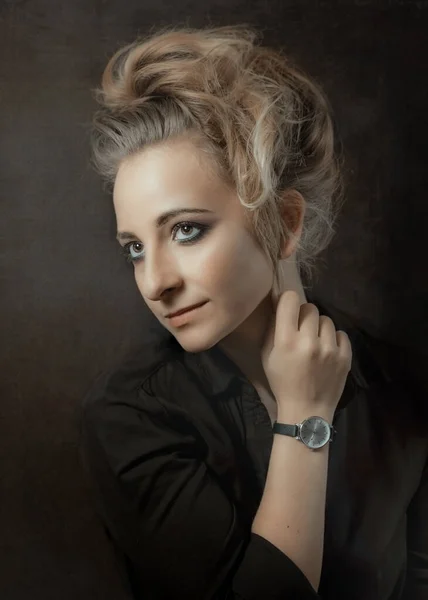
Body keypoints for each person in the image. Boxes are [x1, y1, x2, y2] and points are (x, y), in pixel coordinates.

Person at [79, 24, 428, 600]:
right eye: (135, 247)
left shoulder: (405, 387)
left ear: (284, 222)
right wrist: (304, 420)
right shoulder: (128, 416)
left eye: (186, 230)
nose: (154, 281)